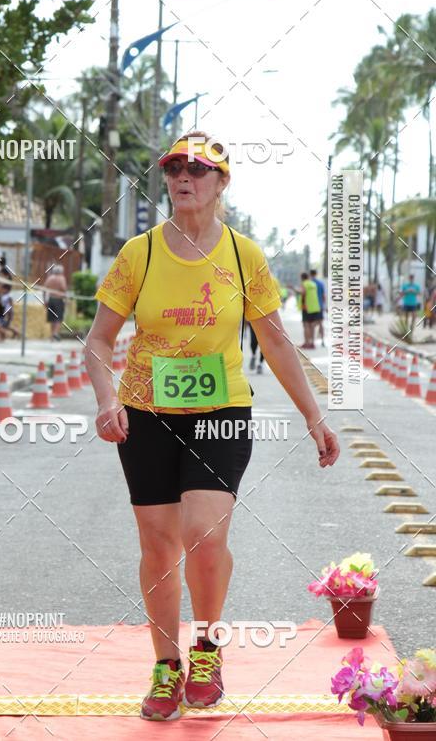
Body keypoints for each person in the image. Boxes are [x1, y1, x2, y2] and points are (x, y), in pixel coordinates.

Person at [85, 131, 340, 723]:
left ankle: (206, 648)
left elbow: (275, 341)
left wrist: (314, 415)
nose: (184, 177)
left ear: (221, 183)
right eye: (175, 167)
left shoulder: (244, 256)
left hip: (221, 412)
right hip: (146, 414)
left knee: (203, 534)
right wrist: (106, 399)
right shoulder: (140, 254)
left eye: (198, 170)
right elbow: (98, 339)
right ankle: (165, 665)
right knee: (158, 545)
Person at [43, 266, 67, 341]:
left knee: (52, 318)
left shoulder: (50, 278)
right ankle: (55, 333)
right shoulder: (61, 278)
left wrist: (44, 300)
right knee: (58, 317)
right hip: (58, 299)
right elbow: (63, 288)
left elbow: (44, 289)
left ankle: (52, 335)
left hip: (50, 299)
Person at [299, 272, 321, 349]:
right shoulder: (313, 284)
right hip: (315, 307)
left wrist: (293, 289)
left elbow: (303, 292)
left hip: (307, 307)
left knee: (306, 325)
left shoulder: (304, 284)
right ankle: (312, 343)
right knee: (312, 326)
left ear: (302, 278)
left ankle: (307, 343)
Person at [309, 269, 326, 347]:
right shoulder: (321, 283)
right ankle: (322, 340)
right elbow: (323, 296)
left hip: (311, 306)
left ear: (310, 274)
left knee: (312, 324)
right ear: (316, 274)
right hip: (320, 306)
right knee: (321, 323)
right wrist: (324, 305)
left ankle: (312, 341)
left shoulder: (309, 283)